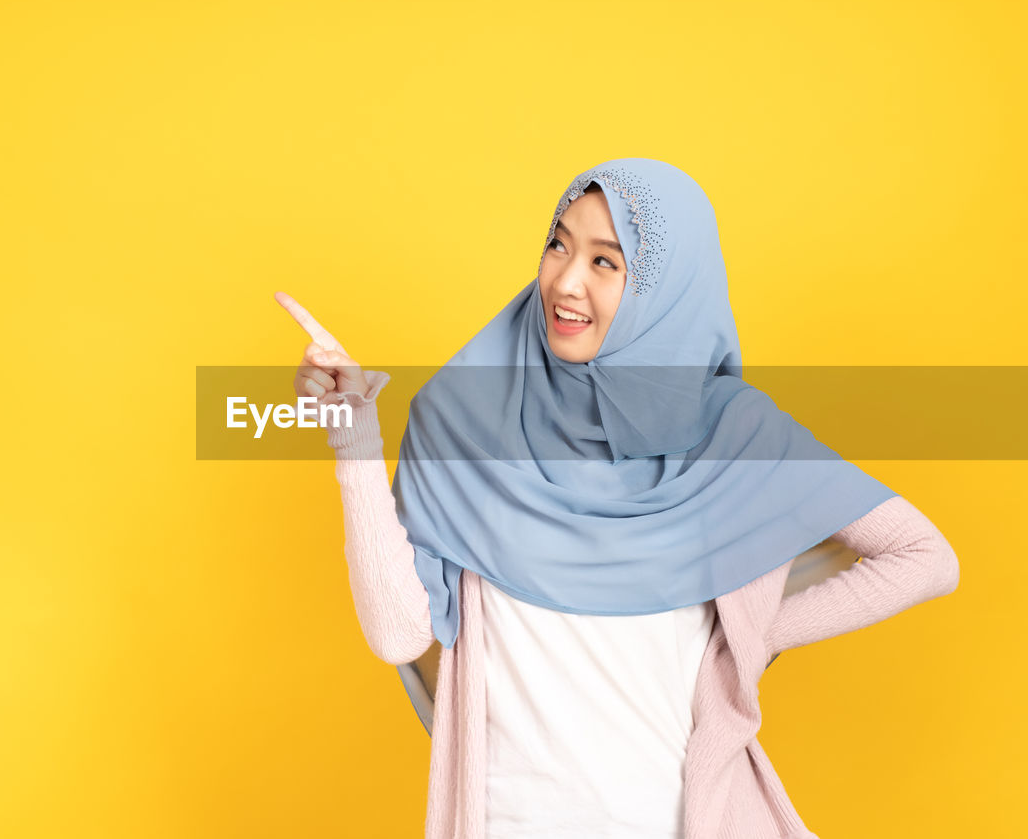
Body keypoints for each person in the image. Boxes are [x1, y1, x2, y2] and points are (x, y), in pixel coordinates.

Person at [275, 158, 960, 839]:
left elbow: (926, 557)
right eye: (559, 243)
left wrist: (755, 635)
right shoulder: (462, 418)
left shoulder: (730, 434)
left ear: (663, 289)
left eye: (606, 262)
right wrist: (353, 443)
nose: (566, 281)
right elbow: (399, 634)